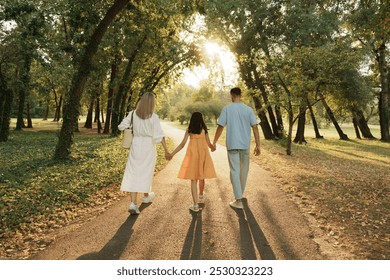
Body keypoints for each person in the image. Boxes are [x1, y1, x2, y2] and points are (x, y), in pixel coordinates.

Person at [118, 92, 169, 215]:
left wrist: (132, 127)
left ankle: (134, 203)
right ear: (152, 104)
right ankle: (145, 196)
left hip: (136, 145)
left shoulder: (132, 114)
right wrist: (167, 151)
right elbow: (159, 136)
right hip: (148, 147)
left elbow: (121, 126)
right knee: (146, 172)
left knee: (134, 172)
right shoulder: (154, 117)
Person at [212, 87, 260, 209]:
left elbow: (220, 126)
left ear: (232, 95)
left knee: (234, 170)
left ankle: (238, 200)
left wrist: (214, 142)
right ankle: (240, 194)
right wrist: (258, 145)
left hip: (232, 144)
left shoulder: (227, 109)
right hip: (245, 145)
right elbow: (255, 127)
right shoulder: (248, 110)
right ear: (240, 95)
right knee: (244, 170)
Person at [167, 112, 216, 213]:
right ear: (201, 119)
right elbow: (209, 144)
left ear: (192, 120)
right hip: (203, 156)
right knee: (201, 176)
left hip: (193, 157)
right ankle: (201, 195)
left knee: (193, 180)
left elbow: (182, 144)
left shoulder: (189, 130)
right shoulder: (204, 130)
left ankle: (195, 205)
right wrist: (213, 147)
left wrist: (172, 153)